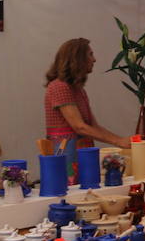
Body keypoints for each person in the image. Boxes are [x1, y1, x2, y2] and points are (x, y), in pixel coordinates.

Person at [43, 38, 131, 180]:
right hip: (67, 153)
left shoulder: (78, 89)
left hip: (82, 152)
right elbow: (80, 127)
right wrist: (117, 141)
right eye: (90, 54)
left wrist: (122, 140)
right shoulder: (59, 86)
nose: (94, 59)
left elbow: (93, 126)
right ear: (77, 59)